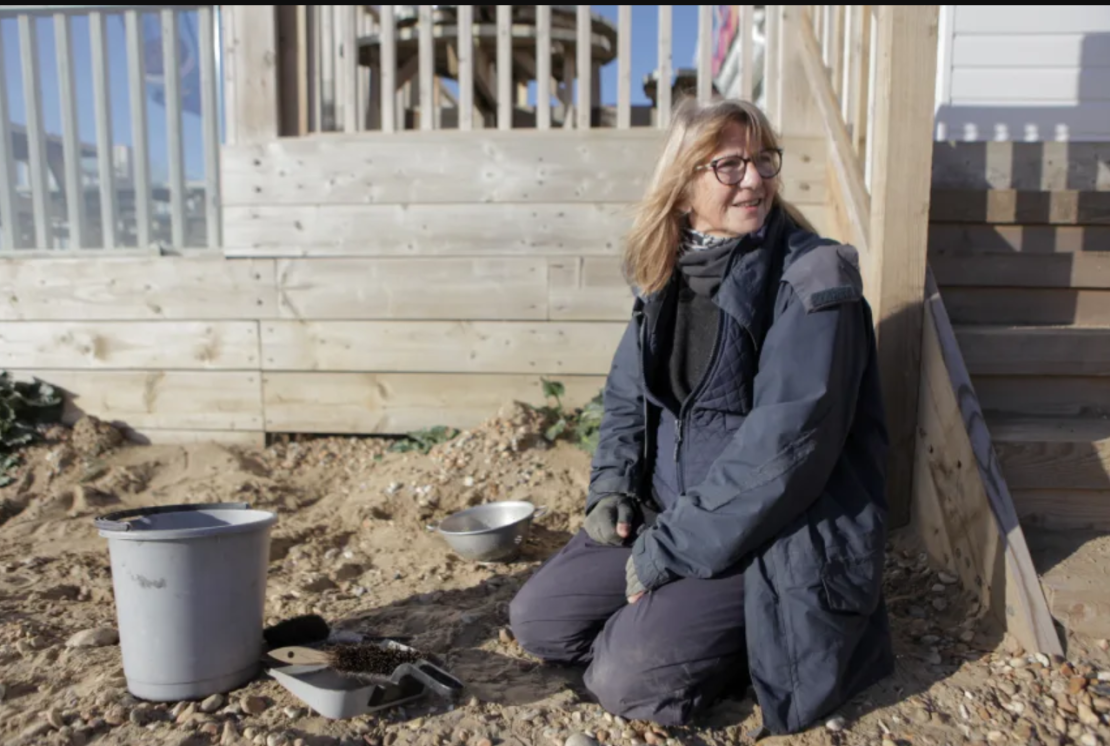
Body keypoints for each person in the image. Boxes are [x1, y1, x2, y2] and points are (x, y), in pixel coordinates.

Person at [507, 97, 894, 735]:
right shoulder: (669, 269)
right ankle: (678, 627)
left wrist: (671, 552)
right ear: (683, 185)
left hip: (771, 535)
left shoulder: (812, 278)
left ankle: (731, 640)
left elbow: (788, 448)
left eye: (763, 161)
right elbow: (627, 398)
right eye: (729, 165)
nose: (755, 180)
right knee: (539, 623)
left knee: (622, 677)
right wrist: (613, 488)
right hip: (670, 513)